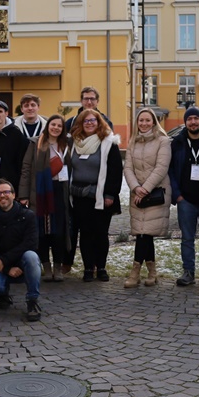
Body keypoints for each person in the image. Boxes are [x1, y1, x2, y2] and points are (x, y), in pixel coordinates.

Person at [69, 108, 122, 282]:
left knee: (100, 233)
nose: (89, 123)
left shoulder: (108, 142)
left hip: (101, 196)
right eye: (86, 121)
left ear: (99, 123)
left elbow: (115, 170)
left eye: (93, 120)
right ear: (80, 123)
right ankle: (88, 268)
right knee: (85, 233)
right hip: (79, 196)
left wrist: (110, 194)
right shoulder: (74, 143)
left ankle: (101, 268)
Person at [0, 179, 43, 321]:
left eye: (6, 192)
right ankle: (3, 294)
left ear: (14, 195)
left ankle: (32, 301)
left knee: (32, 256)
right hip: (1, 265)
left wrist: (5, 261)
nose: (2, 196)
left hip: (23, 262)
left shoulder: (28, 216)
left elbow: (31, 243)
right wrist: (6, 268)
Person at [18, 114, 71, 281]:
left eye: (59, 126)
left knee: (58, 231)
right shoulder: (36, 143)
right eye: (53, 124)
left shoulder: (66, 144)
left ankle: (58, 267)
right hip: (40, 193)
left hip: (60, 191)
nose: (56, 128)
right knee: (41, 231)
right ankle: (46, 267)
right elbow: (26, 168)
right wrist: (23, 194)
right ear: (47, 126)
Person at [168, 105, 199, 288]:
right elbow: (171, 170)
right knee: (187, 239)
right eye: (189, 119)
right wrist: (177, 195)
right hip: (185, 200)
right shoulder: (177, 142)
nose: (193, 122)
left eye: (196, 118)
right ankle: (188, 272)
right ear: (185, 122)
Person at [122, 106, 170, 288]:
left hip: (155, 193)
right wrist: (136, 187)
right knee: (144, 233)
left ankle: (135, 273)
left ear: (153, 122)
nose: (144, 123)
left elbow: (161, 167)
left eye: (147, 120)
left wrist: (145, 189)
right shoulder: (133, 141)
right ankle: (152, 272)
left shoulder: (163, 141)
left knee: (144, 233)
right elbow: (128, 168)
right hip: (137, 194)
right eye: (141, 120)